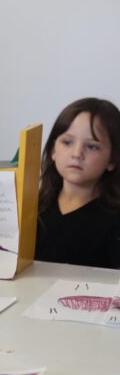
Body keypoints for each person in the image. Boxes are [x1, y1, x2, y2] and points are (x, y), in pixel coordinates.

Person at [35, 97, 120, 269]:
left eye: (92, 146)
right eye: (67, 142)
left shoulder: (114, 221)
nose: (77, 153)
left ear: (112, 159)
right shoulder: (31, 207)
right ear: (53, 150)